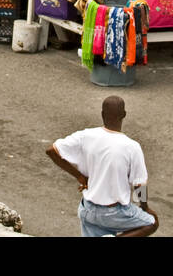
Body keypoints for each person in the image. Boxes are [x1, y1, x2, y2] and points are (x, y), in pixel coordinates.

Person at [47, 96, 158, 238]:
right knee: (151, 223)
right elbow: (139, 185)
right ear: (124, 115)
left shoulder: (85, 136)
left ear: (102, 114)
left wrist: (79, 177)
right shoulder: (132, 147)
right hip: (114, 212)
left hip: (87, 210)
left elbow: (52, 151)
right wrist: (144, 208)